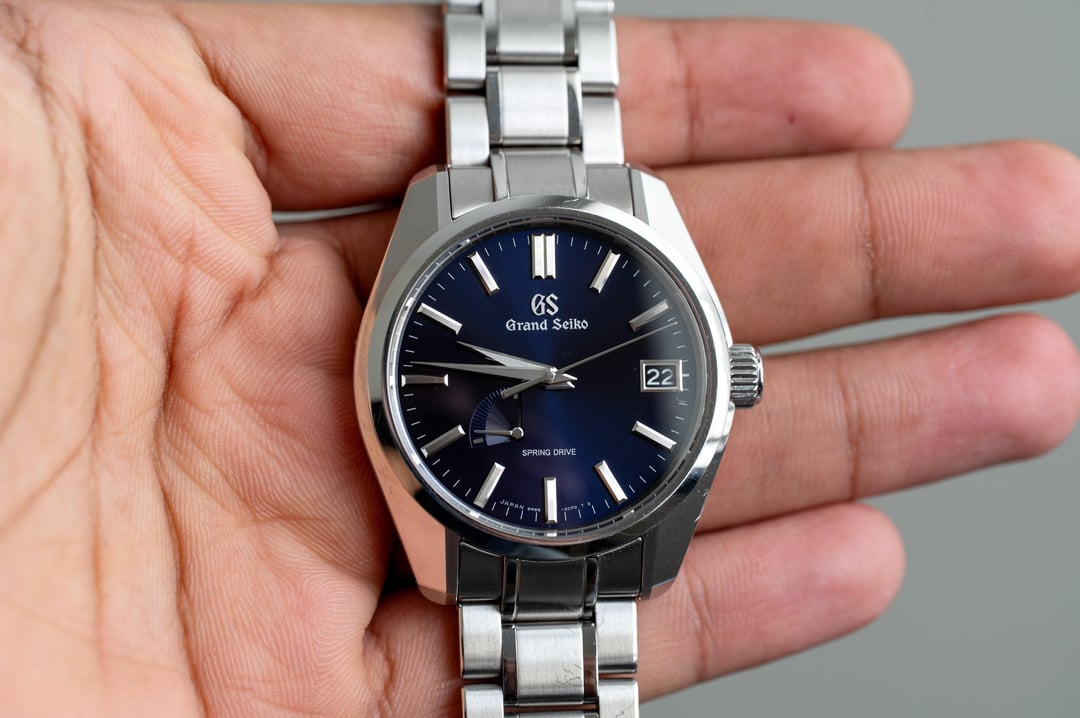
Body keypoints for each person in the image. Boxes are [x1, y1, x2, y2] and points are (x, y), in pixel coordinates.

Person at [1, 1, 1077, 715]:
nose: (559, 376)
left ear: (727, 378)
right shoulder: (461, 250)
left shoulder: (628, 260)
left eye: (571, 371)